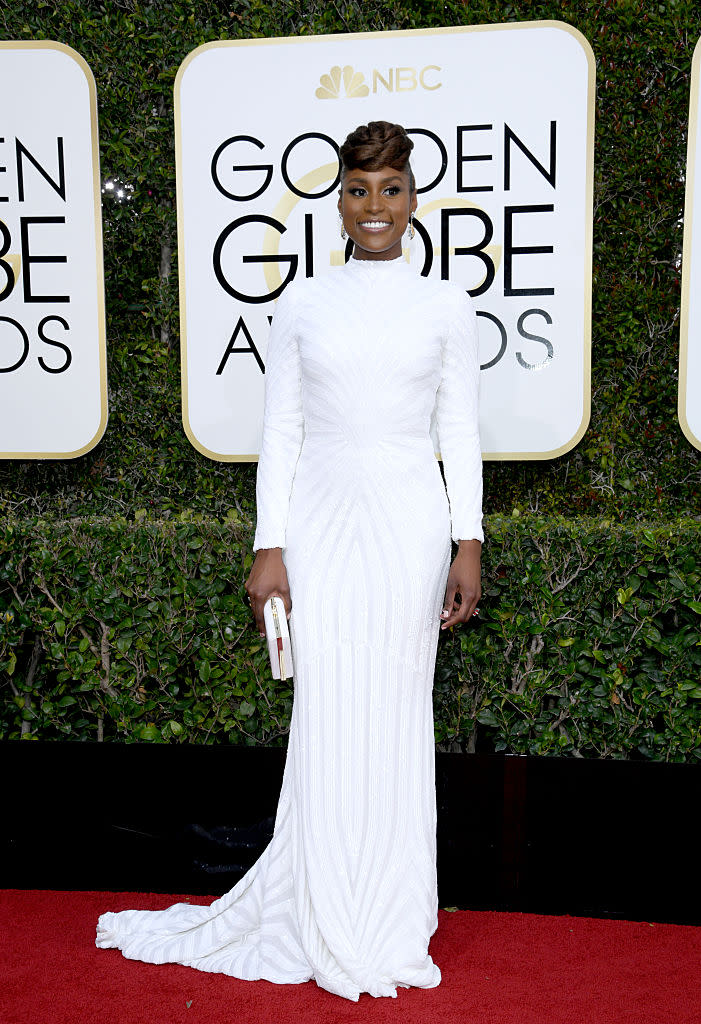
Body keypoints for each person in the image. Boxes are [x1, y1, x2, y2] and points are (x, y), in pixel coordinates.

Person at [95, 120, 483, 1002]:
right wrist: (269, 542)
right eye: (357, 189)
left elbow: (455, 429)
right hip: (318, 525)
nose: (373, 206)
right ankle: (313, 900)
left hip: (409, 525)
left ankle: (386, 912)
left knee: (392, 711)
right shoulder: (303, 302)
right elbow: (282, 430)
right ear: (338, 200)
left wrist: (469, 539)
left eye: (389, 189)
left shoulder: (446, 304)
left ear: (413, 201)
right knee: (325, 710)